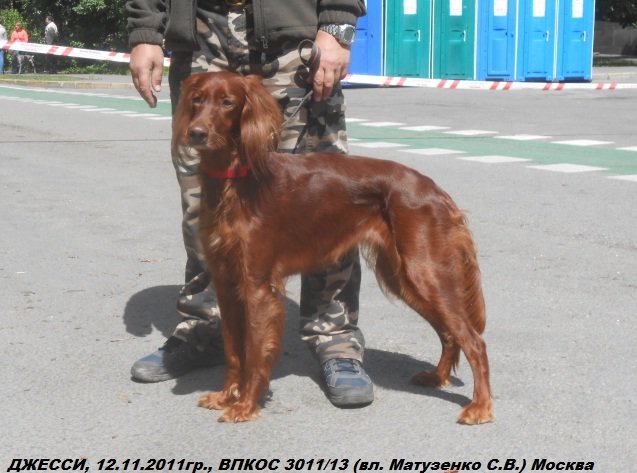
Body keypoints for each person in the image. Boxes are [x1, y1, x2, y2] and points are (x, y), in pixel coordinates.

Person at [126, 0, 375, 407]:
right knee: (203, 209)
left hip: (293, 42)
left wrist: (337, 25)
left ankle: (334, 338)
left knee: (324, 204)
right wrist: (145, 33)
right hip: (203, 37)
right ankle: (205, 329)